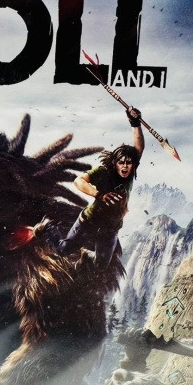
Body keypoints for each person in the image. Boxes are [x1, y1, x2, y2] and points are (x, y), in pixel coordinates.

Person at [58, 105, 144, 266]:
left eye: (128, 163)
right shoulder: (103, 172)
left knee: (102, 265)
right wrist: (99, 195)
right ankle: (46, 227)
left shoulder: (129, 174)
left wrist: (135, 123)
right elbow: (78, 181)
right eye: (121, 162)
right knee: (63, 250)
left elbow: (138, 148)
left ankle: (87, 254)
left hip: (110, 229)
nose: (125, 166)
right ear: (115, 163)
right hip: (89, 221)